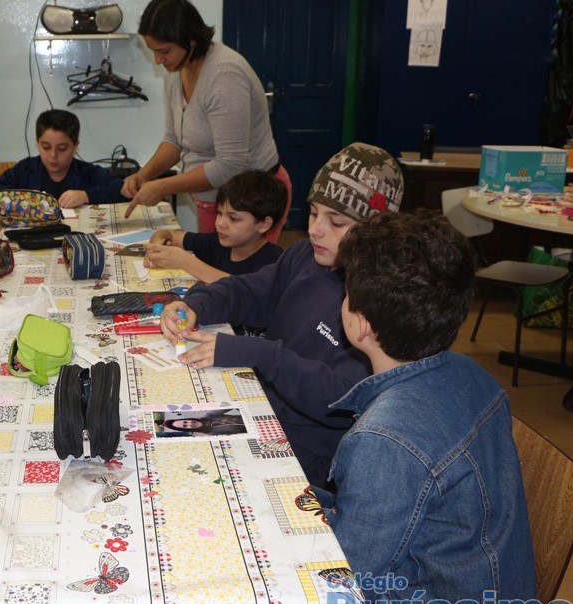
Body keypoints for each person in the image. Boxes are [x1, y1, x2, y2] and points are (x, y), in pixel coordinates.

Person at [318, 210, 535, 604]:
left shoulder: (383, 439)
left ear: (361, 324)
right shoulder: (474, 374)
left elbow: (349, 578)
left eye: (346, 292)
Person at [159, 142, 404, 487]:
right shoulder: (305, 255)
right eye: (314, 213)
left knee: (195, 482)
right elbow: (250, 291)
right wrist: (197, 303)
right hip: (259, 408)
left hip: (306, 450)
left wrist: (257, 353)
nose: (315, 229)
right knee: (161, 438)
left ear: (375, 230)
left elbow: (342, 400)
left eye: (336, 221)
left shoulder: (381, 299)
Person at [121, 0, 291, 238]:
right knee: (211, 262)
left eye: (164, 51)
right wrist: (144, 174)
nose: (157, 60)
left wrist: (163, 186)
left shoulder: (224, 76)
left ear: (190, 41)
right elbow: (173, 141)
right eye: (153, 51)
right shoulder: (176, 71)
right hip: (217, 200)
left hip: (253, 205)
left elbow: (230, 165)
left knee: (236, 266)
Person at [142, 170, 285, 284]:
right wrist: (157, 247)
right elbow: (167, 234)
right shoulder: (217, 242)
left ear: (264, 224)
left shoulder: (274, 261)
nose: (220, 223)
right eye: (219, 213)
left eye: (233, 218)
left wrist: (185, 261)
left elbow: (244, 290)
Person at [0, 109, 126, 208]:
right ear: (37, 143)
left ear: (75, 146)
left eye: (62, 148)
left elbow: (122, 189)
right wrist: (24, 199)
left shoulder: (87, 173)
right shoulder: (26, 169)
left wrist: (86, 195)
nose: (53, 155)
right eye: (46, 147)